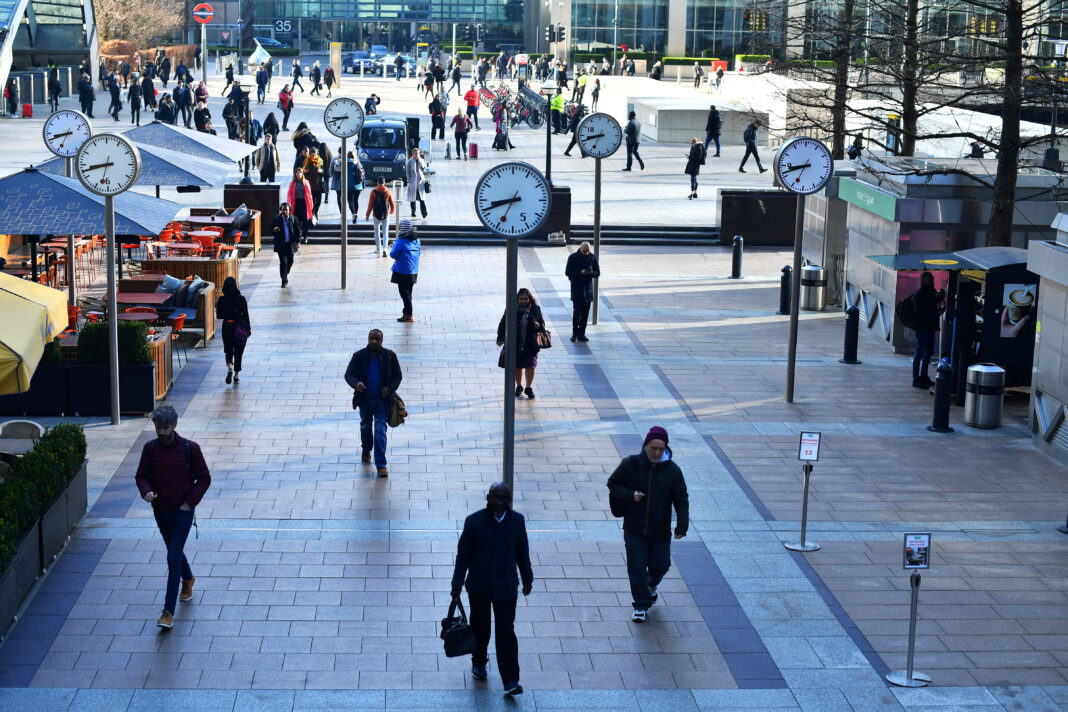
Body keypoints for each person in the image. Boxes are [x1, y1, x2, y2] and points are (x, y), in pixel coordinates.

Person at [450, 482, 533, 696]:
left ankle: (511, 679)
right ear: (488, 498)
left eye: (504, 499)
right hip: (479, 587)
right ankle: (479, 662)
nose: (500, 503)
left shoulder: (517, 522)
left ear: (509, 500)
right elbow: (463, 556)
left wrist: (527, 578)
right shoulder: (474, 522)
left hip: (506, 588)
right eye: (496, 498)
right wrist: (456, 584)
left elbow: (522, 553)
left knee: (506, 632)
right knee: (481, 628)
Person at [135, 405, 212, 630]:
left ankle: (168, 611)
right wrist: (146, 491)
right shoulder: (149, 449)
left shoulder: (191, 448)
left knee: (172, 556)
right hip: (160, 510)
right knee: (174, 551)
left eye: (164, 428)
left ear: (174, 426)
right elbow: (141, 476)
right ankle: (188, 579)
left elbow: (205, 478)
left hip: (182, 511)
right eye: (157, 428)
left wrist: (190, 502)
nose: (160, 432)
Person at [607, 427, 688, 623]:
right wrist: (630, 495)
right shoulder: (630, 464)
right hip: (634, 529)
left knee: (662, 565)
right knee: (636, 567)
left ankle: (651, 586)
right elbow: (613, 483)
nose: (657, 453)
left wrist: (681, 526)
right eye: (653, 448)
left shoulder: (673, 471)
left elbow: (681, 499)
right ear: (645, 446)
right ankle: (641, 605)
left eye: (661, 449)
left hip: (660, 531)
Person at [344, 329, 403, 478]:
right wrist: (356, 384)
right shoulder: (359, 356)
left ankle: (381, 465)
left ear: (382, 341)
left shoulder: (390, 356)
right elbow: (349, 374)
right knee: (365, 425)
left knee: (380, 430)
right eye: (372, 338)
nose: (374, 341)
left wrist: (389, 389)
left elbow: (398, 376)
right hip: (365, 400)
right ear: (368, 339)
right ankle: (366, 449)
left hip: (382, 401)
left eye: (377, 339)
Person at [496, 288, 545, 399]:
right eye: (521, 299)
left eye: (526, 299)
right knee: (517, 365)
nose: (524, 301)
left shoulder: (535, 309)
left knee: (531, 365)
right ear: (517, 299)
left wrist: (538, 325)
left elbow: (542, 324)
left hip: (530, 343)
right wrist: (500, 338)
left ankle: (528, 387)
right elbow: (503, 324)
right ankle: (519, 386)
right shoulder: (511, 309)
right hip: (515, 342)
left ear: (530, 299)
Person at [215, 276, 251, 385]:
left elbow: (219, 316)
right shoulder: (241, 299)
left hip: (227, 326)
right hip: (239, 327)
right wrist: (248, 329)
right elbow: (246, 315)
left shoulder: (221, 300)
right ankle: (236, 376)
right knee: (239, 352)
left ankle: (229, 367)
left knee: (228, 349)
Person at [911, 271, 943, 388]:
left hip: (929, 327)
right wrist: (935, 313)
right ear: (924, 280)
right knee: (920, 353)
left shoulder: (930, 292)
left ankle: (923, 376)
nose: (933, 281)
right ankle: (916, 379)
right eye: (931, 279)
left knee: (928, 352)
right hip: (922, 328)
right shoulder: (920, 294)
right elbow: (922, 312)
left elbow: (934, 303)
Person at [565, 242, 600, 342]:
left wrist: (591, 272)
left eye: (588, 251)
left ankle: (582, 333)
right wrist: (580, 272)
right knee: (577, 313)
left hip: (588, 291)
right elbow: (568, 272)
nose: (586, 253)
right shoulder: (573, 257)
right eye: (584, 251)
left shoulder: (592, 257)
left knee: (585, 314)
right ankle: (575, 333)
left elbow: (597, 272)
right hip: (577, 290)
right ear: (580, 248)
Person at [390, 219, 420, 322]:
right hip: (413, 271)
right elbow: (418, 253)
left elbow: (392, 254)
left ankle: (409, 315)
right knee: (408, 293)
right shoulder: (417, 240)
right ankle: (406, 312)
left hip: (402, 271)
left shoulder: (401, 240)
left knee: (404, 294)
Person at [366, 176, 396, 256]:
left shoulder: (373, 192)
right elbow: (393, 205)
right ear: (384, 182)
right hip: (385, 215)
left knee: (377, 233)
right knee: (385, 232)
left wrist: (367, 215)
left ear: (377, 182)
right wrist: (390, 212)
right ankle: (385, 249)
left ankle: (378, 249)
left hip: (376, 215)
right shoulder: (388, 192)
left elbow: (370, 205)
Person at [272, 202, 299, 288]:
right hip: (281, 245)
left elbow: (297, 231)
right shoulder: (276, 219)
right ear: (280, 210)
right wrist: (274, 230)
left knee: (290, 261)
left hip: (290, 245)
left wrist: (298, 241)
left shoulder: (294, 219)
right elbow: (271, 229)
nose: (284, 211)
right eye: (282, 209)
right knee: (283, 262)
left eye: (286, 209)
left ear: (289, 211)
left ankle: (284, 273)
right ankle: (284, 280)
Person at [287, 167, 313, 245]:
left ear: (302, 174)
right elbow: (289, 194)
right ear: (295, 174)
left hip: (304, 204)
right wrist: (289, 203)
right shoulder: (292, 183)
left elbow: (309, 194)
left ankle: (305, 236)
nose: (299, 174)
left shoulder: (306, 182)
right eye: (297, 172)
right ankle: (298, 238)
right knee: (297, 222)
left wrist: (311, 205)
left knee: (305, 221)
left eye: (300, 172)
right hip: (296, 204)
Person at [405, 147, 428, 220]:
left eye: (418, 153)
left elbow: (424, 169)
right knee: (413, 199)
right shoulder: (410, 161)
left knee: (422, 199)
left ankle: (424, 213)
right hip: (413, 182)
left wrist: (422, 165)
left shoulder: (422, 160)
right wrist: (409, 180)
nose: (417, 155)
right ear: (413, 154)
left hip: (420, 182)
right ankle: (413, 212)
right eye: (415, 153)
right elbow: (407, 171)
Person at [303, 147, 325, 219]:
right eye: (312, 155)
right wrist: (305, 171)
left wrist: (321, 171)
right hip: (310, 185)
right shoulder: (307, 161)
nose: (313, 157)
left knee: (318, 201)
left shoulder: (320, 161)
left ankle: (315, 212)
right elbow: (303, 171)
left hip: (318, 185)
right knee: (311, 201)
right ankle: (313, 213)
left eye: (314, 155)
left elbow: (324, 171)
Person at [345, 151, 365, 223]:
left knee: (350, 201)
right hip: (358, 185)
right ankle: (355, 214)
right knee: (356, 201)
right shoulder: (358, 163)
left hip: (348, 185)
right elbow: (362, 173)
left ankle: (353, 213)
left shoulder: (344, 163)